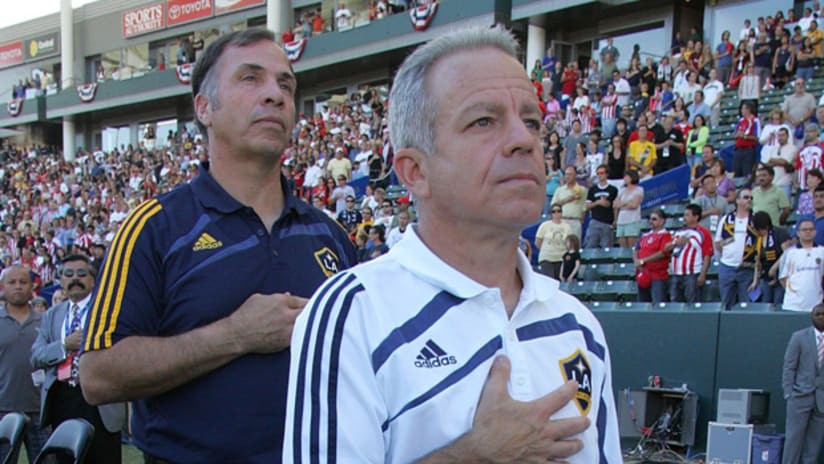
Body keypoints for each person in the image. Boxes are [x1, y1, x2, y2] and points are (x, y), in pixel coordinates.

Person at [284, 26, 621, 463]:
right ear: (414, 172)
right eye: (484, 121)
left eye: (532, 121)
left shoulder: (577, 324)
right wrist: (475, 455)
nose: (523, 139)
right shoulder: (352, 315)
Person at [79, 29, 357, 463]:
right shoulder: (156, 228)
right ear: (204, 107)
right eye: (251, 78)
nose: (275, 95)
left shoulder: (330, 236)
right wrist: (235, 335)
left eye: (285, 84)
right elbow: (97, 374)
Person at [31, 255, 126, 464]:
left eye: (82, 274)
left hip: (99, 399)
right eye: (69, 274)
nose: (75, 278)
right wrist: (65, 345)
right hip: (62, 399)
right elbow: (36, 356)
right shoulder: (52, 315)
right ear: (61, 280)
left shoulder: (109, 311)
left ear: (93, 279)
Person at [0, 266, 50, 463]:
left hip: (40, 410)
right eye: (12, 283)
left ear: (32, 286)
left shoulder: (46, 320)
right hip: (3, 409)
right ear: (3, 287)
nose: (18, 287)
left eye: (23, 282)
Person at [781, 303, 824, 464]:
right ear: (811, 317)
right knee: (793, 441)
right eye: (817, 314)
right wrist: (789, 393)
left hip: (821, 401)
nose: (821, 317)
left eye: (823, 314)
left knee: (813, 444)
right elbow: (789, 366)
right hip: (799, 397)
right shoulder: (799, 337)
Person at [715, 188, 759, 310]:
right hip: (727, 267)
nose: (749, 200)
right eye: (746, 197)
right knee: (726, 304)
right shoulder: (726, 219)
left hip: (747, 269)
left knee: (747, 305)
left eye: (751, 198)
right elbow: (718, 243)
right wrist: (730, 244)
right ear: (738, 200)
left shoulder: (755, 220)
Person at [667, 204, 713, 303]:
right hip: (676, 274)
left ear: (696, 217)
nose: (684, 217)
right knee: (675, 303)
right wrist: (676, 242)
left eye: (687, 215)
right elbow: (666, 248)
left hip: (692, 275)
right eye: (684, 215)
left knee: (692, 302)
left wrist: (702, 274)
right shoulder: (679, 232)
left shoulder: (703, 233)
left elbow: (707, 255)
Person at [780, 218, 824, 312]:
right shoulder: (790, 253)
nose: (808, 232)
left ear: (815, 232)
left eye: (811, 229)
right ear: (798, 232)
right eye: (804, 229)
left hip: (816, 305)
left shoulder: (822, 251)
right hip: (793, 305)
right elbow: (782, 278)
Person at [750, 212, 791, 305]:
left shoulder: (780, 233)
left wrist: (774, 267)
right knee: (765, 303)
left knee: (778, 302)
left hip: (780, 276)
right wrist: (755, 281)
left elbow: (787, 253)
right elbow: (758, 261)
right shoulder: (758, 238)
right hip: (765, 277)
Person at [633, 209, 672, 304]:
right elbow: (636, 249)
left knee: (657, 303)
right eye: (650, 219)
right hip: (643, 274)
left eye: (654, 219)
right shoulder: (644, 235)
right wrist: (636, 261)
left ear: (662, 221)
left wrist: (643, 261)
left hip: (658, 276)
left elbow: (663, 253)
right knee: (642, 304)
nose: (651, 221)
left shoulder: (666, 236)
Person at [583, 165, 618, 248]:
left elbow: (614, 206)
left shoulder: (613, 189)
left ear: (607, 174)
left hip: (607, 222)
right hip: (595, 221)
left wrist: (615, 220)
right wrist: (598, 202)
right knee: (590, 245)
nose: (599, 175)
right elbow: (587, 206)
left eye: (602, 173)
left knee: (607, 247)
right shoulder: (592, 189)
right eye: (598, 173)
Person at [535, 205, 571, 278]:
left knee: (558, 281)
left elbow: (569, 242)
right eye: (554, 211)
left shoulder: (567, 226)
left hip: (561, 258)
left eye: (559, 211)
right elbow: (538, 242)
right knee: (549, 280)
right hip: (546, 257)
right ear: (551, 213)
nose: (556, 213)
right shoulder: (544, 225)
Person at [552, 166, 587, 240]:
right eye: (566, 174)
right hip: (562, 220)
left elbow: (584, 206)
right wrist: (568, 199)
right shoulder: (559, 190)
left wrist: (581, 221)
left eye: (570, 174)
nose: (567, 176)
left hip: (575, 221)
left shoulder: (582, 190)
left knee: (574, 247)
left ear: (575, 175)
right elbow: (553, 206)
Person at [614, 169, 644, 248]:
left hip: (632, 220)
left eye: (627, 176)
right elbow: (615, 205)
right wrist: (627, 202)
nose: (625, 178)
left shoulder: (639, 189)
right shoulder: (622, 190)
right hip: (621, 221)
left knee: (632, 247)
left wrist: (622, 204)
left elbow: (634, 205)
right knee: (623, 247)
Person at [732, 101, 760, 177]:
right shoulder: (740, 121)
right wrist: (738, 135)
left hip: (749, 150)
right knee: (736, 172)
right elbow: (735, 134)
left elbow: (757, 137)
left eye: (743, 109)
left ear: (748, 110)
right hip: (738, 150)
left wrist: (744, 136)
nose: (742, 111)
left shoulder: (755, 120)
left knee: (747, 173)